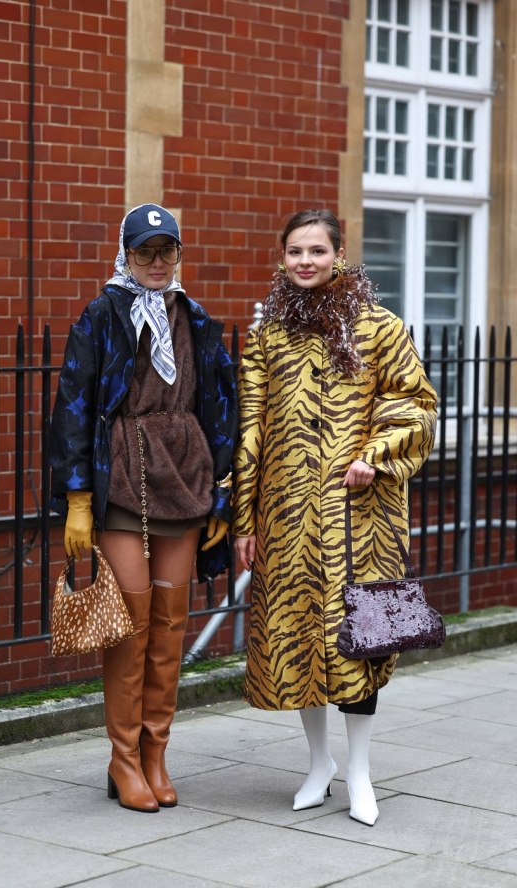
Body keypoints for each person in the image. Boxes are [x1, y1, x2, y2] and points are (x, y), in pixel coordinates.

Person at [232, 208, 437, 826]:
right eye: (295, 251)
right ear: (282, 257)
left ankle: (361, 774)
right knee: (297, 639)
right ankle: (319, 763)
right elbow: (250, 428)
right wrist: (245, 519)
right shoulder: (267, 335)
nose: (305, 262)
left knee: (360, 643)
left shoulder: (380, 327)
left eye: (316, 251)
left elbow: (416, 404)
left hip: (362, 519)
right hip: (287, 516)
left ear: (339, 254)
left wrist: (375, 454)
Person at [50, 204, 238, 813]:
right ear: (125, 255)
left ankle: (156, 755)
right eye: (144, 252)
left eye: (167, 251)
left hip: (184, 478)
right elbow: (73, 406)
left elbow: (221, 408)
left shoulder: (196, 319)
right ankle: (122, 759)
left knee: (170, 627)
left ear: (179, 254)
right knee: (129, 627)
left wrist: (222, 490)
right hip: (123, 479)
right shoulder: (102, 313)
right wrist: (79, 498)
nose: (156, 263)